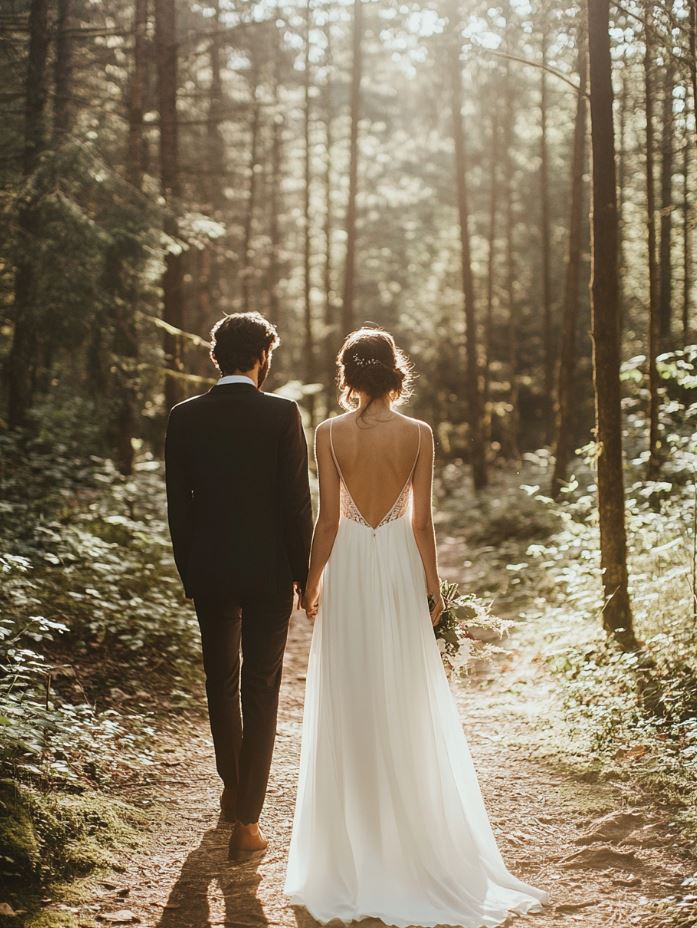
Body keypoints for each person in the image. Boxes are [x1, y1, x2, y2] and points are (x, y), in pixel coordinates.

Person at [284, 327, 548, 927]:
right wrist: (434, 590)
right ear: (395, 373)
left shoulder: (328, 434)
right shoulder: (419, 434)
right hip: (399, 566)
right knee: (404, 691)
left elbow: (327, 520)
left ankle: (351, 853)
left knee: (350, 692)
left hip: (349, 562)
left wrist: (312, 580)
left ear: (349, 374)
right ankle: (412, 838)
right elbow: (421, 523)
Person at [164, 311, 313, 859]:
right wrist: (304, 573)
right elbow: (296, 503)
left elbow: (178, 507)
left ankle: (233, 791)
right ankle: (248, 821)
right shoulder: (281, 414)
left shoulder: (184, 417)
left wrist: (189, 572)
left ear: (215, 358)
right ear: (262, 358)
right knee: (262, 686)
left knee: (220, 683)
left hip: (211, 572)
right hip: (271, 572)